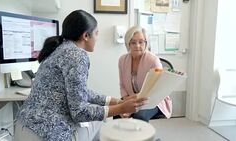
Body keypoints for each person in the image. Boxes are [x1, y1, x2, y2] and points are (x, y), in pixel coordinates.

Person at [14, 10, 147, 141]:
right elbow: (80, 112)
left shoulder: (58, 49)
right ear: (86, 36)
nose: (97, 38)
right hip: (47, 134)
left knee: (97, 121)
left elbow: (78, 92)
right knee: (101, 124)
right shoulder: (77, 55)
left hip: (24, 128)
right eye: (96, 33)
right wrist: (121, 108)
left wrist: (117, 101)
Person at [118, 26, 172, 122]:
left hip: (154, 100)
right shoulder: (122, 60)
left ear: (146, 43)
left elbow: (158, 90)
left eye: (141, 42)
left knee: (139, 116)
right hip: (132, 98)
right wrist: (127, 101)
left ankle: (143, 137)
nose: (137, 45)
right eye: (133, 42)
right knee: (117, 112)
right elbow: (122, 85)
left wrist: (135, 105)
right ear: (128, 43)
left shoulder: (153, 60)